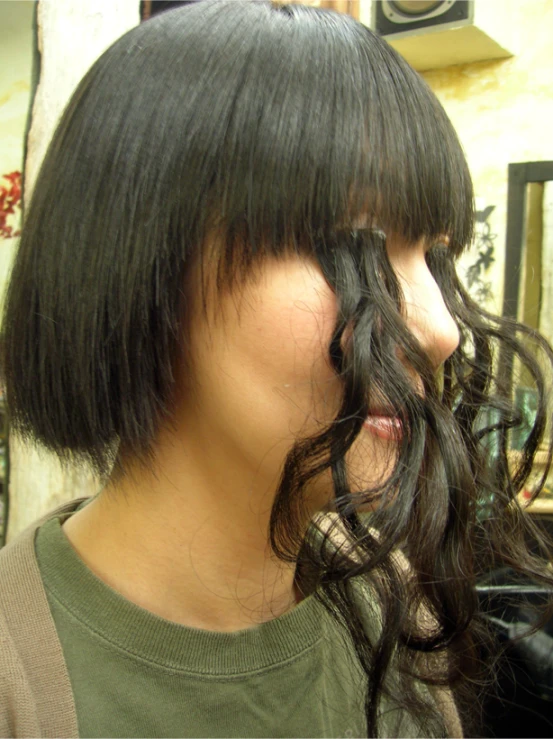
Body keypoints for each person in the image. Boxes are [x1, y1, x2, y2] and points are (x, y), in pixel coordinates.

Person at [1, 1, 552, 737]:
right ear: (145, 266)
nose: (442, 328)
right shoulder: (20, 684)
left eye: (436, 256)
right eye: (352, 244)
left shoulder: (389, 597)